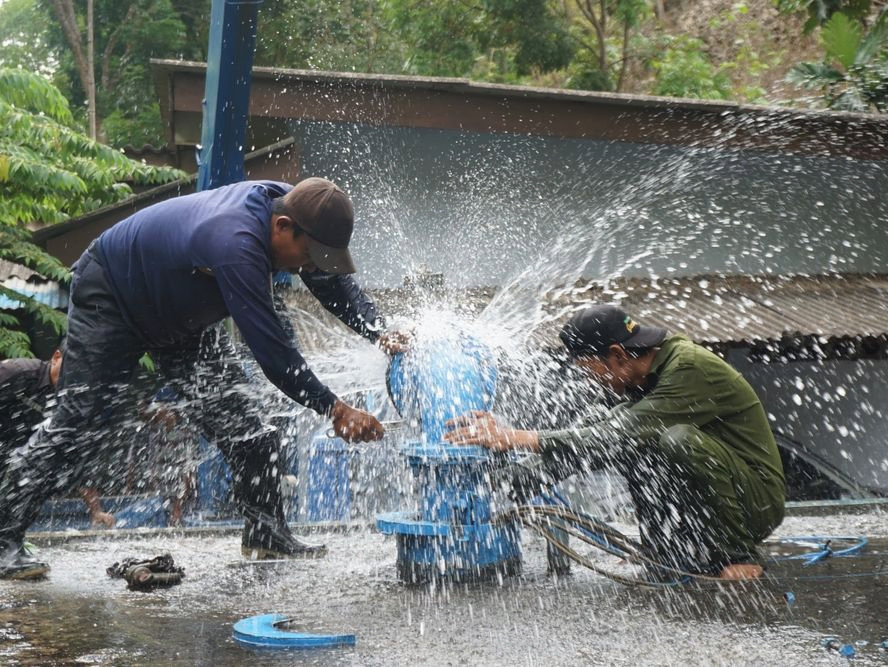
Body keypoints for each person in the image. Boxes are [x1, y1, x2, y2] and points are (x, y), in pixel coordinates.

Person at [0, 177, 403, 580]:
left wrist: (379, 331)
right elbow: (272, 351)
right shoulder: (236, 242)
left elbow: (332, 282)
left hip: (179, 321)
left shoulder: (301, 206)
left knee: (247, 427)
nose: (309, 269)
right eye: (308, 257)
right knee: (77, 418)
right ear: (282, 227)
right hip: (113, 294)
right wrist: (333, 408)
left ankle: (266, 532)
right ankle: (5, 543)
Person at [445, 304, 785, 580]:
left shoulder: (688, 368)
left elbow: (616, 435)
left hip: (756, 504)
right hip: (716, 501)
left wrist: (516, 438)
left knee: (674, 440)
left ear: (618, 355)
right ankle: (505, 490)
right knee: (609, 428)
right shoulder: (644, 371)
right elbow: (596, 439)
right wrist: (500, 464)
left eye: (591, 370)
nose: (592, 380)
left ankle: (740, 554)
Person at [0, 351, 116, 534]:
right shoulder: (18, 371)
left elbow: (76, 457)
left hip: (14, 457)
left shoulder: (68, 405)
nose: (72, 375)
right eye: (70, 367)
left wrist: (96, 510)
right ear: (56, 357)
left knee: (38, 477)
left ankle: (10, 539)